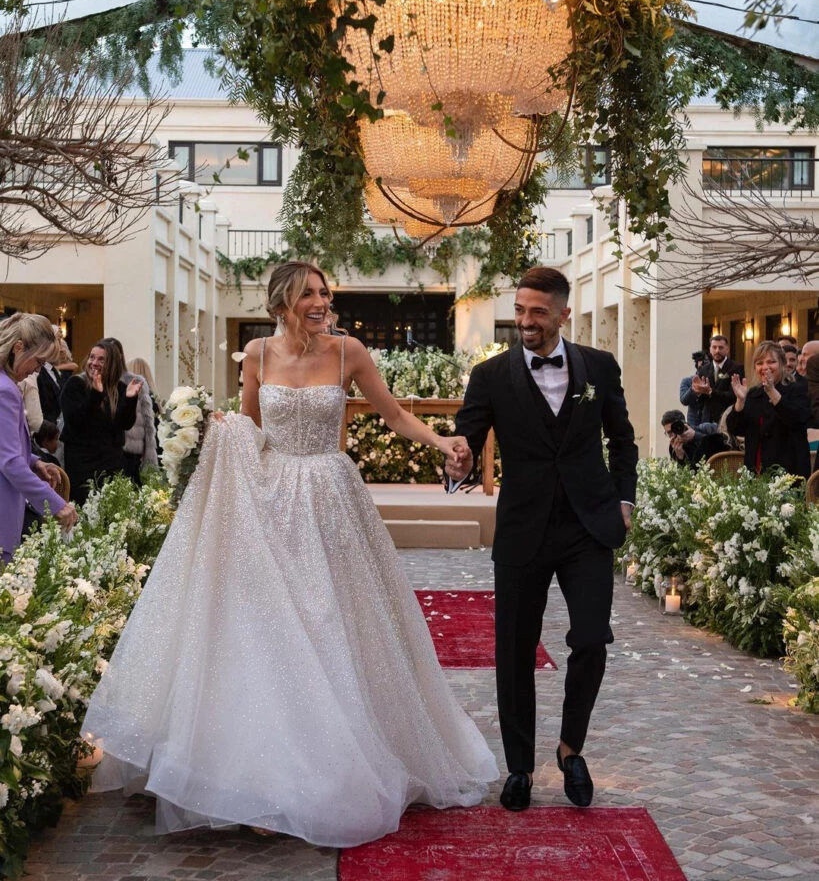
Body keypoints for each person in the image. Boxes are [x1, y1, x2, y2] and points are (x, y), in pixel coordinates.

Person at [82, 260, 497, 846]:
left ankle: (336, 767)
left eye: (326, 292)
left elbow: (395, 413)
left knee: (335, 623)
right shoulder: (256, 354)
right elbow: (251, 427)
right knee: (271, 632)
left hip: (330, 501)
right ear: (284, 301)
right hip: (270, 499)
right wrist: (216, 428)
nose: (323, 301)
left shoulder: (348, 351)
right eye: (311, 293)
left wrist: (443, 440)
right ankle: (264, 779)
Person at [446, 266, 638, 812]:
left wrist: (625, 503)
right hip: (524, 527)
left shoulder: (599, 367)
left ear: (561, 314)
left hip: (587, 525)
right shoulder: (490, 376)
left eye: (536, 312)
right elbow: (467, 439)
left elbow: (623, 441)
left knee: (592, 639)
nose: (525, 321)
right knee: (514, 651)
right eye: (520, 310)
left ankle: (571, 749)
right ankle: (519, 768)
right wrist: (458, 461)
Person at [0, 314, 78, 560]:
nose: (37, 369)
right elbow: (10, 462)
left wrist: (35, 461)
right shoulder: (5, 390)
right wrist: (57, 504)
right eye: (38, 360)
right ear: (18, 347)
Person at [60, 340, 142, 505]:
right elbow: (75, 422)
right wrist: (95, 396)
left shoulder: (119, 388)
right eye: (92, 357)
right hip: (82, 464)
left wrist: (130, 399)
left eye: (101, 359)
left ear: (111, 363)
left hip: (111, 462)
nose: (94, 363)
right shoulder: (76, 385)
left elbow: (124, 424)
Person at [726, 340, 811, 478]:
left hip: (789, 472)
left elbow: (797, 419)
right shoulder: (753, 394)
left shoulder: (797, 389)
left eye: (771, 362)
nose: (765, 367)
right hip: (756, 472)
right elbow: (735, 429)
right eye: (760, 363)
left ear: (782, 364)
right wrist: (740, 401)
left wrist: (772, 391)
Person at [103, 339, 158, 485]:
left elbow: (147, 420)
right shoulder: (95, 381)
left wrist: (149, 454)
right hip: (107, 450)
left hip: (132, 451)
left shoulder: (135, 381)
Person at [689, 335, 744, 424]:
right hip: (706, 421)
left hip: (728, 418)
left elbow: (733, 396)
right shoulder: (703, 369)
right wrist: (698, 392)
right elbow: (699, 401)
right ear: (710, 349)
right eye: (714, 347)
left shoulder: (736, 368)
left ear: (727, 349)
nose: (717, 351)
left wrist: (710, 391)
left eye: (721, 347)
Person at [661, 409, 726, 468]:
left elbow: (722, 443)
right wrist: (680, 457)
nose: (674, 434)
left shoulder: (703, 429)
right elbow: (683, 474)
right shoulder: (673, 447)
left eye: (676, 429)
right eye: (669, 433)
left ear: (684, 424)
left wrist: (695, 436)